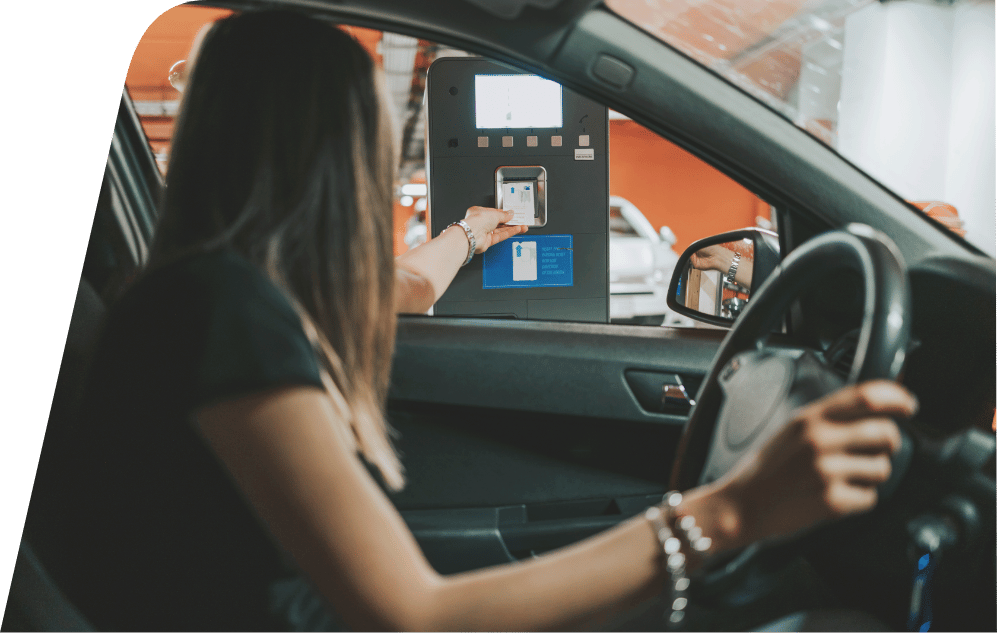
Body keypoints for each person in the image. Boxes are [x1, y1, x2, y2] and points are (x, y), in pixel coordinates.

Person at [59, 10, 917, 632]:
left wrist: (474, 230)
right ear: (337, 155)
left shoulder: (220, 292)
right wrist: (732, 512)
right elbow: (414, 615)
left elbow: (401, 289)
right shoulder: (222, 312)